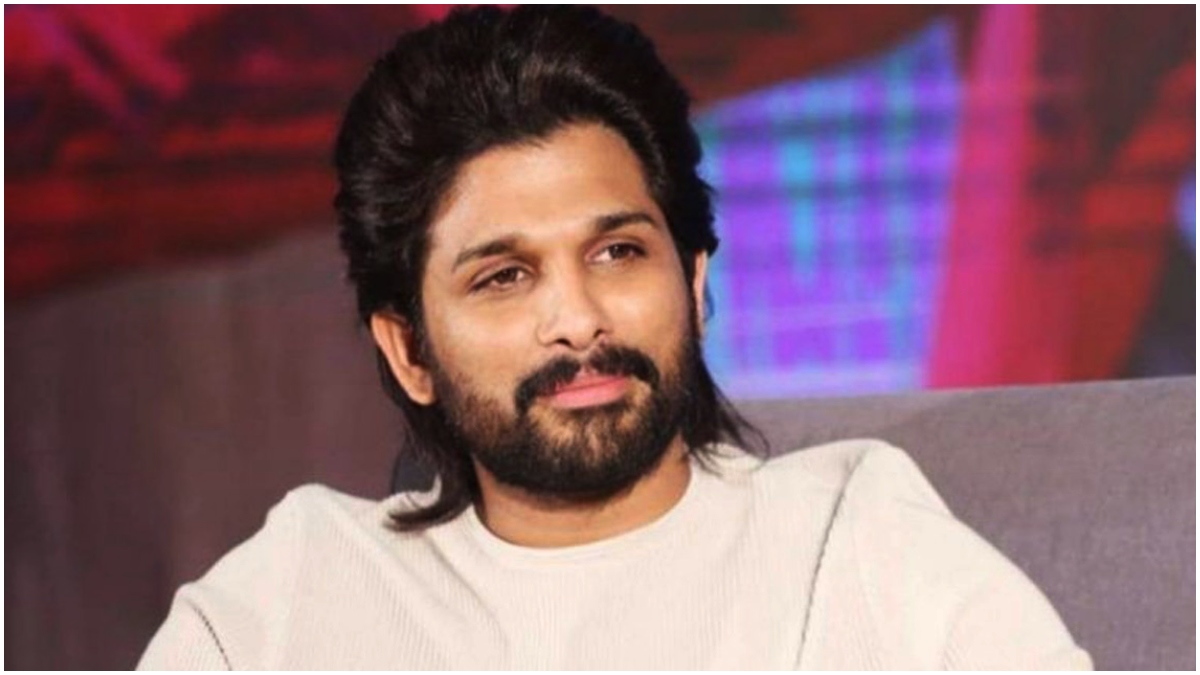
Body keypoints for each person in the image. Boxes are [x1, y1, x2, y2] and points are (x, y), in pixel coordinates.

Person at [139, 6, 1091, 669]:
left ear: (695, 282)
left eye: (618, 252)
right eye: (504, 276)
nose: (578, 318)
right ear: (410, 352)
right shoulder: (299, 587)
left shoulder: (856, 537)